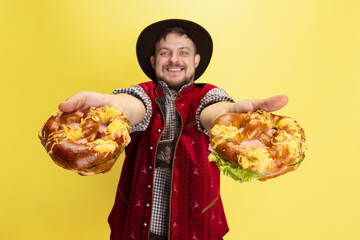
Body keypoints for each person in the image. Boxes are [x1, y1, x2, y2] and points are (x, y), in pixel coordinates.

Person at [58, 19, 288, 240]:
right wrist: (115, 106)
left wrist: (228, 114)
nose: (174, 59)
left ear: (196, 60)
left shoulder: (208, 95)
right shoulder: (142, 93)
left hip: (198, 229)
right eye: (165, 52)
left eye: (183, 52)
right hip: (133, 227)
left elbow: (213, 111)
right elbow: (135, 106)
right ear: (153, 61)